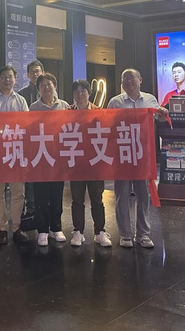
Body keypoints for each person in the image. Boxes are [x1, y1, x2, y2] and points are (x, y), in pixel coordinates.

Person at [107, 69, 169, 249]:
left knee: (143, 194)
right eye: (124, 78)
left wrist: (163, 112)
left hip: (143, 155)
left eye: (131, 77)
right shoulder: (115, 102)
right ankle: (125, 234)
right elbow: (107, 125)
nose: (128, 81)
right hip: (123, 154)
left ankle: (143, 234)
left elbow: (160, 119)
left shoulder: (150, 99)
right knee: (122, 195)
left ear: (140, 80)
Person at [0, 64, 30, 244]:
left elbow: (26, 126)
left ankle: (16, 227)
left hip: (16, 152)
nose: (7, 80)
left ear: (15, 79)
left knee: (18, 192)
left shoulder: (21, 101)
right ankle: (1, 228)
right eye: (4, 77)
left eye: (10, 76)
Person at [68, 79, 111, 248]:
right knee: (77, 199)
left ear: (89, 93)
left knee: (97, 198)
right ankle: (78, 231)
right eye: (76, 92)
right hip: (76, 163)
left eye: (83, 91)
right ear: (73, 94)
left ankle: (100, 232)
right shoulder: (67, 113)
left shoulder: (99, 112)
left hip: (95, 163)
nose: (80, 94)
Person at [29, 73, 69, 246]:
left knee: (56, 195)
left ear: (55, 86)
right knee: (41, 196)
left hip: (58, 158)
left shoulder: (64, 106)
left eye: (49, 84)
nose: (46, 87)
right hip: (40, 157)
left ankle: (56, 227)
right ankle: (43, 230)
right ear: (38, 89)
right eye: (42, 85)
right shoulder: (33, 108)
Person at [18, 59, 43, 223]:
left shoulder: (48, 91)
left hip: (44, 140)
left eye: (38, 71)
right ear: (27, 75)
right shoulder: (21, 94)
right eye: (32, 72)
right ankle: (30, 208)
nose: (35, 74)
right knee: (28, 177)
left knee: (42, 175)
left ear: (42, 72)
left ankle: (41, 208)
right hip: (27, 141)